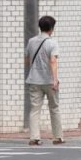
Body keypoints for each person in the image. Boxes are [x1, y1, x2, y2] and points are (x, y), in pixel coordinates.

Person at [26, 15, 63, 146]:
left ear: (40, 27)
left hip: (34, 80)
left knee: (35, 109)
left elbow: (27, 60)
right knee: (54, 108)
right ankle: (57, 137)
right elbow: (53, 61)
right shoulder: (52, 43)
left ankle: (34, 138)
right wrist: (55, 80)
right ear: (51, 28)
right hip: (49, 81)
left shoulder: (31, 41)